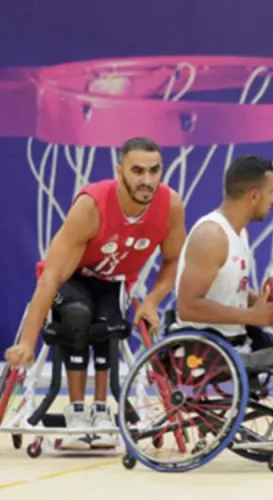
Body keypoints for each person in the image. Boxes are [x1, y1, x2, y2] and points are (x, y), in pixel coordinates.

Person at [4, 137, 187, 450]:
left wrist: (152, 301)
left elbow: (172, 262)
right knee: (78, 312)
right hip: (70, 277)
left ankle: (101, 410)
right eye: (138, 171)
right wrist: (26, 342)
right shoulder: (91, 206)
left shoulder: (169, 205)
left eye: (154, 170)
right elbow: (51, 277)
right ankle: (76, 409)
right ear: (120, 171)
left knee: (109, 321)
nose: (147, 180)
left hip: (113, 281)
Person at [171, 155, 273, 359]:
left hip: (232, 342)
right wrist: (252, 315)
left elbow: (226, 288)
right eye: (272, 192)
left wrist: (262, 303)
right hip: (201, 347)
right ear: (254, 196)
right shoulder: (211, 236)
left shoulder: (239, 232)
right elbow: (187, 307)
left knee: (272, 356)